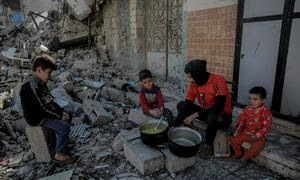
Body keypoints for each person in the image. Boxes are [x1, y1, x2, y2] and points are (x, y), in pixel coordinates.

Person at [20, 54, 75, 165]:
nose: (50, 76)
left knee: (68, 111)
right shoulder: (32, 87)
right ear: (39, 70)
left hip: (44, 112)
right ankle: (60, 154)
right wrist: (59, 115)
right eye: (48, 72)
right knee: (64, 127)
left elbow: (49, 101)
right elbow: (41, 108)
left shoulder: (41, 83)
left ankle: (63, 141)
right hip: (37, 118)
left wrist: (61, 112)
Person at [174, 59, 232, 159]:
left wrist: (195, 115)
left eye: (191, 76)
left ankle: (208, 145)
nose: (190, 80)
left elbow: (218, 108)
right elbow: (187, 104)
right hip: (206, 112)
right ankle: (188, 130)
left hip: (222, 117)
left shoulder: (218, 81)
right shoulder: (194, 84)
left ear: (198, 75)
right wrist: (174, 126)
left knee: (212, 117)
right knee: (181, 104)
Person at [231, 86, 271, 162]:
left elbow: (267, 127)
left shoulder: (265, 112)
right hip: (245, 132)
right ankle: (238, 153)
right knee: (234, 139)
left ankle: (246, 157)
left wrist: (257, 135)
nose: (251, 101)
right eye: (249, 98)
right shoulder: (247, 109)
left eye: (255, 99)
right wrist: (238, 129)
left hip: (258, 136)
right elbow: (241, 119)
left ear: (263, 100)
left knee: (257, 147)